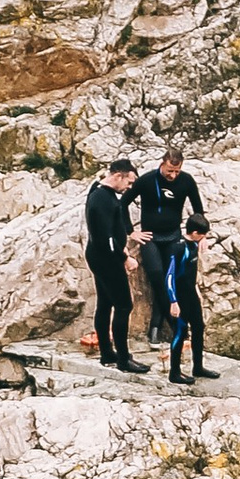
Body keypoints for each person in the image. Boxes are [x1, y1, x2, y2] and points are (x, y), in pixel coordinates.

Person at [134, 142, 206, 343]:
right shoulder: (148, 180)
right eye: (169, 170)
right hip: (150, 237)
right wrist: (131, 232)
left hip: (173, 237)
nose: (173, 175)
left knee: (170, 279)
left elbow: (198, 209)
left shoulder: (186, 181)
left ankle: (157, 328)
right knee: (157, 276)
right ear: (162, 164)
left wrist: (202, 235)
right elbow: (122, 204)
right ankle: (171, 325)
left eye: (176, 171)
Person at [85, 157, 144, 371]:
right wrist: (124, 258)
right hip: (106, 258)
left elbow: (111, 232)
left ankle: (107, 353)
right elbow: (106, 239)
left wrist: (123, 246)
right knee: (123, 305)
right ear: (118, 176)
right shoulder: (103, 199)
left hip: (98, 255)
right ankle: (123, 359)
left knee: (105, 303)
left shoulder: (98, 190)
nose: (129, 187)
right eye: (128, 182)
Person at [162, 217, 213, 383]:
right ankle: (174, 373)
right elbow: (169, 276)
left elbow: (191, 271)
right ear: (195, 232)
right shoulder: (178, 247)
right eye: (203, 234)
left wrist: (196, 289)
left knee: (199, 327)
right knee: (180, 332)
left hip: (191, 294)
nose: (204, 237)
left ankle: (198, 367)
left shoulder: (194, 245)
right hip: (179, 297)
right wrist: (173, 301)